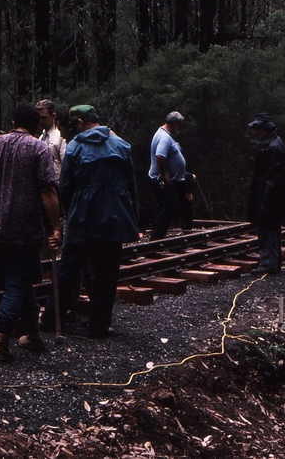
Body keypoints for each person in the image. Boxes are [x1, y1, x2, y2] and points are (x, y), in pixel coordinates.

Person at [0, 104, 61, 361]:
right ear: (36, 126)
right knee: (16, 283)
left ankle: (33, 335)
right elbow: (47, 190)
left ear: (12, 120)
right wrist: (55, 226)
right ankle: (0, 342)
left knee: (20, 282)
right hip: (26, 230)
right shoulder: (38, 147)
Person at [41, 105, 139, 339]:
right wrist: (132, 217)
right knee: (107, 274)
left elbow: (65, 186)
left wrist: (65, 212)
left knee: (68, 270)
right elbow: (131, 185)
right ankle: (99, 326)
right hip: (114, 218)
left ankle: (50, 319)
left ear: (81, 122)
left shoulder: (75, 147)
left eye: (74, 126)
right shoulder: (121, 144)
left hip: (83, 218)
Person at [247, 113, 285, 274]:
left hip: (270, 197)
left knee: (267, 230)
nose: (257, 131)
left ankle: (269, 264)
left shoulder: (273, 147)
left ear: (266, 129)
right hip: (271, 196)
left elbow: (272, 178)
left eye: (259, 128)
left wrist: (265, 202)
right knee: (270, 229)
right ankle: (272, 262)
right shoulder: (275, 143)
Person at [148, 111, 188, 239]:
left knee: (163, 207)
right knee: (167, 207)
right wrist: (163, 174)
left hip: (168, 178)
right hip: (161, 179)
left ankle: (158, 236)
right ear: (175, 124)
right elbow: (160, 156)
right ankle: (157, 237)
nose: (179, 129)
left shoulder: (165, 135)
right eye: (180, 126)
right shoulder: (164, 137)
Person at [35, 99, 67, 176]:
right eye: (39, 118)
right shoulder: (42, 137)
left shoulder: (60, 136)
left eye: (44, 118)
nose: (41, 121)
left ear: (53, 116)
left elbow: (66, 163)